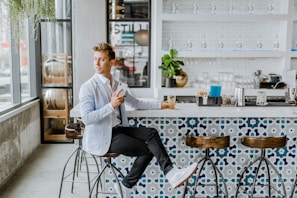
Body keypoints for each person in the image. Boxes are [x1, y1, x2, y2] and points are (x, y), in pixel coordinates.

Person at [79, 42, 198, 197]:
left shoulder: (117, 84)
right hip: (103, 137)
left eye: (101, 59)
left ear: (111, 62)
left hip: (117, 130)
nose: (96, 63)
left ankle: (170, 173)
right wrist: (111, 105)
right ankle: (128, 185)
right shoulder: (88, 87)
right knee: (148, 150)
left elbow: (135, 103)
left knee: (151, 134)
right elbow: (87, 118)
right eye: (95, 59)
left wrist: (162, 105)